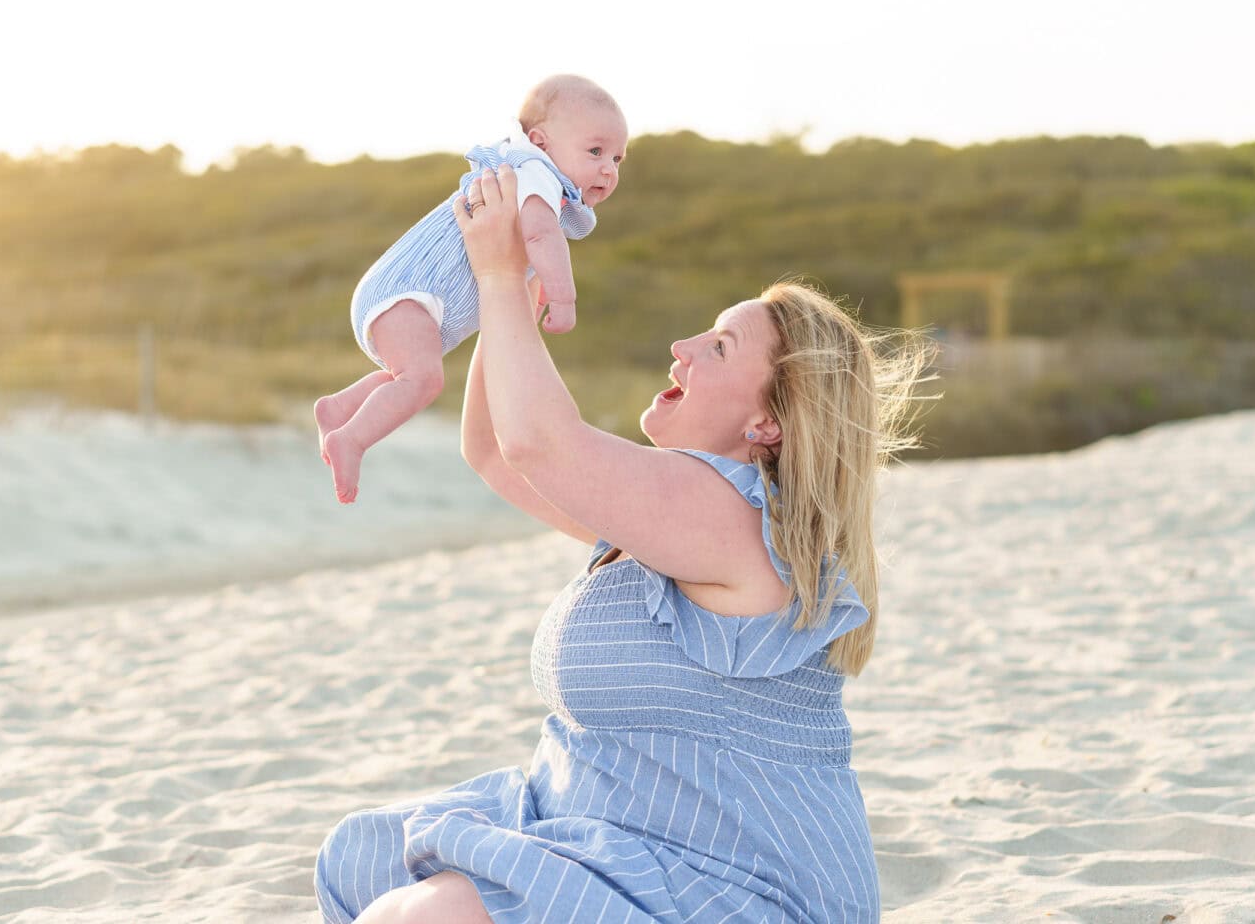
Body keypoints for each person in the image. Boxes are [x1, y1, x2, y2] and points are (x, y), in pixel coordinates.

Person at [314, 165, 927, 923]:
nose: (683, 345)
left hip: (735, 887)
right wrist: (511, 302)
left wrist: (501, 273)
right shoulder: (670, 519)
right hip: (627, 846)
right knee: (380, 877)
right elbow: (499, 452)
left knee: (415, 916)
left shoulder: (730, 521)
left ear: (767, 424)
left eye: (721, 348)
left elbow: (540, 443)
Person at [314, 74, 627, 504]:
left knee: (402, 377)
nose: (608, 169)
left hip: (404, 299)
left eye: (617, 158)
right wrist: (563, 297)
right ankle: (351, 439)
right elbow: (540, 237)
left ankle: (338, 409)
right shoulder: (536, 172)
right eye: (595, 151)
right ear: (542, 141)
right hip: (411, 293)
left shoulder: (524, 170)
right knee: (421, 381)